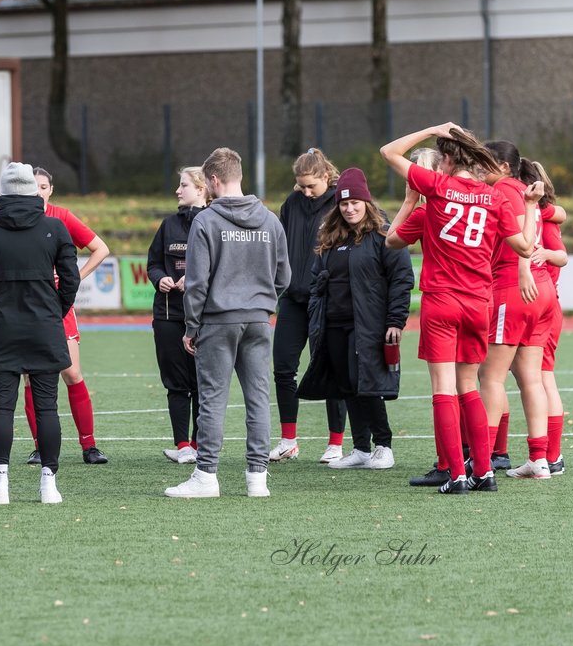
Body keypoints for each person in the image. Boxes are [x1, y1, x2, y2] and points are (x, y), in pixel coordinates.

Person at [382, 123, 540, 495]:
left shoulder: (438, 187)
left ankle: (454, 473)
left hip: (442, 300)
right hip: (478, 303)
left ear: (448, 159)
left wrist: (431, 129)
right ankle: (482, 471)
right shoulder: (496, 197)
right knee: (469, 386)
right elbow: (524, 247)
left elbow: (389, 152)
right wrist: (531, 207)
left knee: (443, 389)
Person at [165, 147, 289, 499]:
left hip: (218, 322)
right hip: (258, 320)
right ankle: (257, 480)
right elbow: (285, 275)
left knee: (213, 400)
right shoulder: (269, 219)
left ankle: (206, 476)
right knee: (258, 399)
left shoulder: (206, 220)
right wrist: (262, 303)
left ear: (214, 180)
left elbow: (197, 282)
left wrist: (191, 326)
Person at [0, 162, 81, 505]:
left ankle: (0, 484)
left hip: (2, 326)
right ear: (33, 190)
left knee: (1, 407)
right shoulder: (55, 228)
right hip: (44, 326)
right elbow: (70, 278)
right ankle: (49, 483)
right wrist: (55, 309)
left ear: (3, 191)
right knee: (47, 407)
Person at [296, 168, 414, 470]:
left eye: (355, 203)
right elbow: (316, 280)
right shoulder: (331, 237)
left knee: (368, 384)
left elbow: (401, 279)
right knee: (346, 384)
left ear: (367, 203)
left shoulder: (384, 235)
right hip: (333, 324)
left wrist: (395, 321)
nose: (349, 209)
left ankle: (383, 445)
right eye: (344, 204)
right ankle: (361, 448)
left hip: (368, 325)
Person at [475, 142, 558, 481]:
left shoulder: (506, 190)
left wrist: (522, 269)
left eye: (485, 164)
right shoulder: (522, 190)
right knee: (530, 380)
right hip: (542, 291)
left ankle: (482, 460)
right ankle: (539, 459)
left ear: (505, 167)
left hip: (515, 287)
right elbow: (550, 215)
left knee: (489, 377)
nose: (480, 169)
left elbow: (522, 237)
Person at [24, 167, 110, 466]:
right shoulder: (16, 216)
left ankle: (89, 445)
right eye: (33, 185)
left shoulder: (61, 216)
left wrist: (76, 277)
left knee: (72, 372)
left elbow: (100, 248)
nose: (38, 191)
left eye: (43, 186)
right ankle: (39, 447)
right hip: (27, 305)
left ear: (51, 190)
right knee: (31, 377)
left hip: (58, 305)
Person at [270, 149, 348, 465]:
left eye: (310, 186)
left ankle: (336, 444)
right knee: (283, 368)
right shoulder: (291, 204)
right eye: (300, 185)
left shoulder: (340, 205)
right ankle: (288, 440)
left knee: (331, 368)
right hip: (292, 298)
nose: (305, 191)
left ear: (325, 177)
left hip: (325, 300)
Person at [146, 166, 210, 465]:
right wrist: (159, 278)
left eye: (183, 185)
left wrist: (195, 279)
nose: (177, 190)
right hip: (168, 316)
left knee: (201, 383)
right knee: (175, 382)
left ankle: (199, 444)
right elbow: (153, 263)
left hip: (206, 317)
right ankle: (182, 445)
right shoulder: (168, 224)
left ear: (201, 189)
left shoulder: (213, 222)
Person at [531, 165, 569, 475]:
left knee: (543, 378)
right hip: (537, 302)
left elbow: (561, 255)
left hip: (542, 304)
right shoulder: (542, 214)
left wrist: (543, 252)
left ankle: (551, 456)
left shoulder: (543, 216)